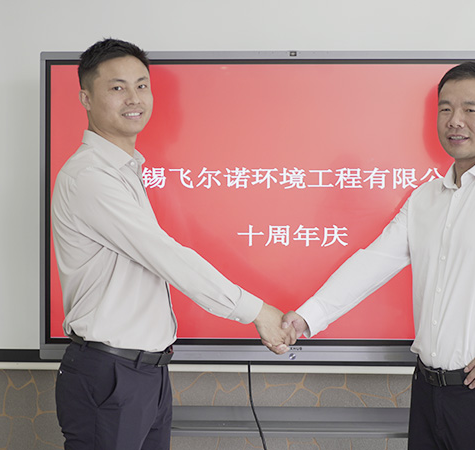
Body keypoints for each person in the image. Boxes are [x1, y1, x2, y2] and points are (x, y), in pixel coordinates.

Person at [282, 62, 475, 449]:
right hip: (428, 394)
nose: (455, 120)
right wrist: (306, 317)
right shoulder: (425, 199)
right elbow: (371, 264)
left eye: (470, 109)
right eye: (445, 109)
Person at [51, 38, 295, 450]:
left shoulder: (126, 171)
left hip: (146, 373)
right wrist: (256, 311)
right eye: (117, 87)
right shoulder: (90, 177)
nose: (134, 98)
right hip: (111, 373)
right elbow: (166, 257)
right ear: (85, 98)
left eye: (141, 85)